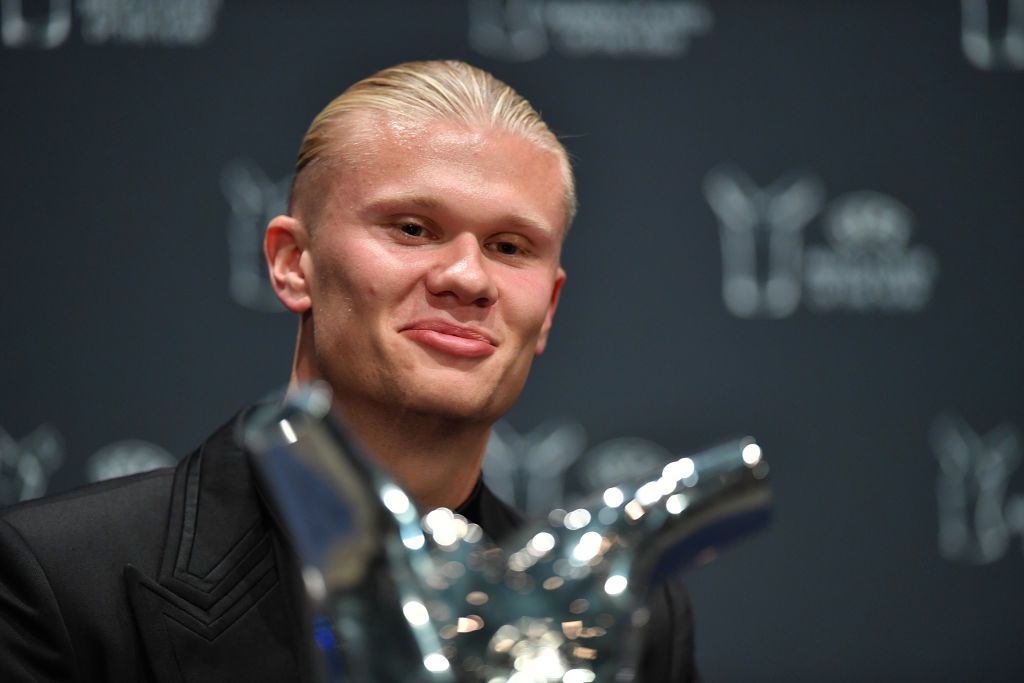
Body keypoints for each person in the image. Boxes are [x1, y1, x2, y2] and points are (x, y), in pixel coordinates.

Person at [0, 60, 696, 682]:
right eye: (412, 228)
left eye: (509, 246)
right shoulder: (55, 578)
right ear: (291, 263)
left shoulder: (624, 614)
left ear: (546, 307)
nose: (467, 276)